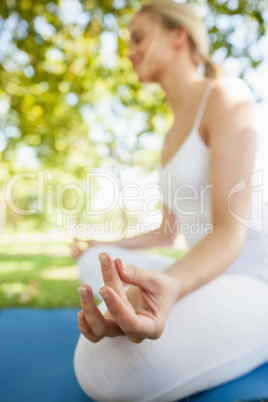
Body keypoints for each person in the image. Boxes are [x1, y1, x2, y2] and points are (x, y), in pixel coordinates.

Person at [72, 1, 268, 401]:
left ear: (180, 36)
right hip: (206, 271)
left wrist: (171, 285)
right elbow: (166, 232)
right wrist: (100, 244)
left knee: (104, 368)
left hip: (252, 279)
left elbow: (229, 232)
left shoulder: (226, 95)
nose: (129, 51)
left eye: (139, 37)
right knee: (95, 261)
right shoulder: (168, 139)